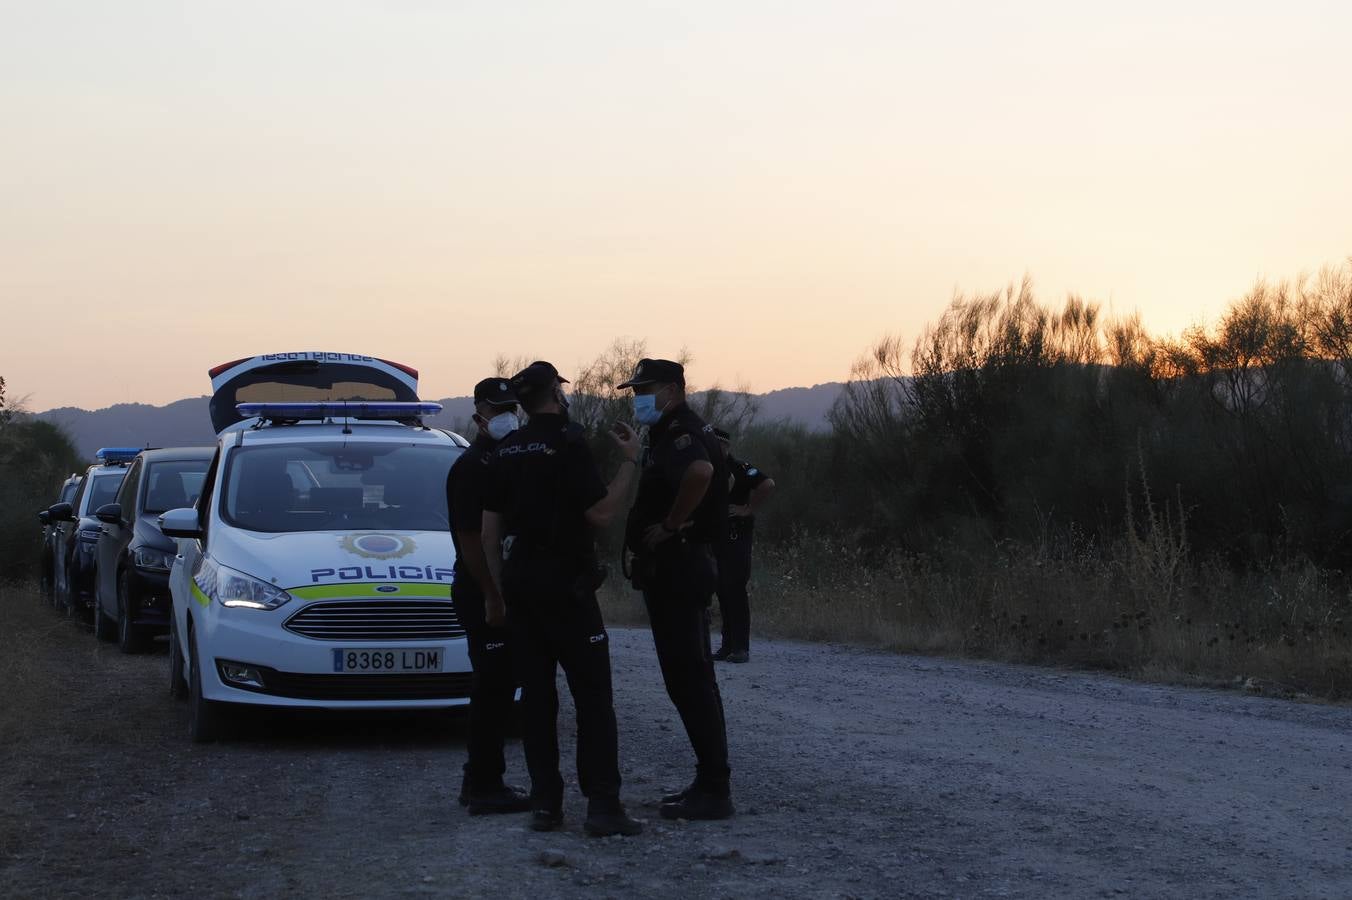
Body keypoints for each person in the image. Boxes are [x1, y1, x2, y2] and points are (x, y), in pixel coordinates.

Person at [480, 361, 644, 837]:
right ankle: (603, 807)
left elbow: (490, 536)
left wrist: (495, 596)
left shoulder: (505, 450)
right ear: (556, 392)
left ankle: (546, 805)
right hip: (567, 588)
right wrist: (630, 461)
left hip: (520, 587)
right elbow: (602, 513)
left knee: (537, 699)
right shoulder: (569, 442)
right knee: (593, 698)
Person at [618, 358, 735, 821]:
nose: (638, 397)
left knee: (690, 679)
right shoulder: (670, 431)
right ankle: (708, 782)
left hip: (679, 566)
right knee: (690, 679)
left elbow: (702, 473)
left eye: (644, 389)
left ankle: (714, 788)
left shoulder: (682, 432)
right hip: (677, 566)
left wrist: (670, 526)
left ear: (672, 388)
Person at [446, 377, 532, 815]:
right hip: (482, 590)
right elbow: (471, 539)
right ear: (479, 412)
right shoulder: (472, 466)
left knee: (499, 688)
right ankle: (483, 784)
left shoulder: (506, 458)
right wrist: (492, 596)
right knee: (492, 688)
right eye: (497, 410)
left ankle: (480, 780)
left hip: (501, 589)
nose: (506, 417)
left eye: (511, 408)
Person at [711, 427, 775, 663]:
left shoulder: (741, 468)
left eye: (718, 444)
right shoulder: (708, 468)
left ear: (726, 446)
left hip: (736, 537)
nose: (715, 448)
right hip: (715, 538)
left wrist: (747, 509)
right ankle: (727, 646)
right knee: (721, 591)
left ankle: (741, 648)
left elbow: (767, 484)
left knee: (735, 591)